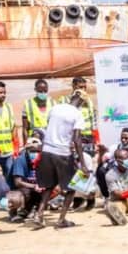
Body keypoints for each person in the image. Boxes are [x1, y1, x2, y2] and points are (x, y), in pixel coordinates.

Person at [29, 89, 91, 229]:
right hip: (62, 153)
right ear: (81, 101)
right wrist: (82, 163)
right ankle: (61, 219)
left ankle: (40, 215)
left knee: (49, 186)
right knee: (71, 187)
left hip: (46, 151)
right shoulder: (77, 114)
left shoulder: (55, 108)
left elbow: (50, 127)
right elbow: (76, 139)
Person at [58, 77, 98, 157]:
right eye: (80, 87)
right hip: (72, 137)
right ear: (74, 86)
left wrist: (95, 139)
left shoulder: (88, 101)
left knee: (88, 159)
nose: (83, 89)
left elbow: (93, 120)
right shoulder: (64, 100)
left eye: (84, 87)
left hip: (87, 137)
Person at [8, 135, 44, 223]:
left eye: (37, 151)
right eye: (32, 150)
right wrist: (34, 186)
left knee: (53, 189)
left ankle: (32, 210)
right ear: (26, 150)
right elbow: (17, 182)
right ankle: (13, 213)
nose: (34, 153)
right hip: (19, 189)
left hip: (35, 187)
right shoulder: (20, 160)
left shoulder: (43, 159)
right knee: (17, 197)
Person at [21, 78, 54, 145]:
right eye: (40, 91)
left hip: (50, 141)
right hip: (34, 141)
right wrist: (25, 145)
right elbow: (25, 129)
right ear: (35, 90)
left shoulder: (53, 103)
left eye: (45, 91)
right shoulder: (28, 104)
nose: (43, 93)